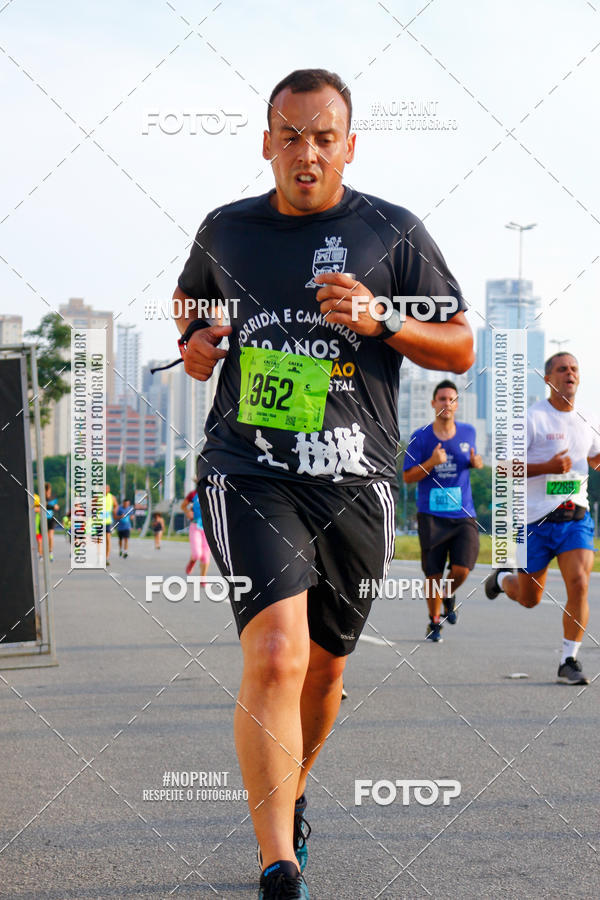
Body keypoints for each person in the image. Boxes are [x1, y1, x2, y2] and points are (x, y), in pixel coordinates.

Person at [173, 68, 474, 899]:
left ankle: (291, 789)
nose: (306, 154)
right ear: (266, 142)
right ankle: (279, 864)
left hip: (356, 478)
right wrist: (197, 343)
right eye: (291, 135)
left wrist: (384, 319)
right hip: (248, 467)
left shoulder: (393, 231)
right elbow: (191, 308)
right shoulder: (226, 230)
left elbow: (459, 345)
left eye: (324, 137)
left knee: (327, 671)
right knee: (276, 651)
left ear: (349, 144)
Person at [485, 352, 600, 685]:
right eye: (562, 369)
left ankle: (568, 660)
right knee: (529, 598)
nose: (570, 373)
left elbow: (594, 460)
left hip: (574, 517)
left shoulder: (588, 418)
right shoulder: (530, 419)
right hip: (533, 521)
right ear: (549, 379)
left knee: (579, 583)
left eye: (575, 369)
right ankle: (502, 579)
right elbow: (503, 469)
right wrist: (546, 467)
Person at [403, 380, 483, 642]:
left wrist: (476, 463)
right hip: (431, 515)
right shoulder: (421, 436)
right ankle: (434, 622)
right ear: (433, 403)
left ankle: (448, 594)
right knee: (433, 573)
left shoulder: (468, 432)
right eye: (441, 399)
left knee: (462, 569)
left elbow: (472, 460)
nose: (446, 403)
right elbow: (407, 477)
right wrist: (431, 462)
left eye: (451, 399)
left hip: (463, 515)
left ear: (456, 404)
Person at [182, 488, 211, 578]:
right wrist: (188, 512)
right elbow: (183, 506)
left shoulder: (214, 492)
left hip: (209, 528)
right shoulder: (194, 493)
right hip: (196, 526)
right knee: (197, 554)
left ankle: (203, 578)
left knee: (206, 556)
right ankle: (192, 561)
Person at [44, 483, 60, 561]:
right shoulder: (42, 498)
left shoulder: (53, 497)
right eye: (47, 491)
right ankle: (44, 552)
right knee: (45, 537)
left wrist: (55, 507)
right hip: (43, 519)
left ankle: (50, 552)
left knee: (50, 536)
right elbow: (45, 505)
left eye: (49, 491)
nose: (48, 493)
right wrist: (53, 506)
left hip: (51, 519)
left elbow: (57, 507)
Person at [104, 485, 117, 565]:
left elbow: (116, 506)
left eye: (106, 488)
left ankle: (106, 558)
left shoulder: (112, 497)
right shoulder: (97, 497)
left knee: (108, 539)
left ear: (108, 490)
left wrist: (114, 511)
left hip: (108, 521)